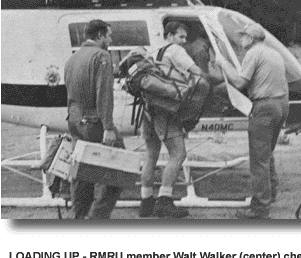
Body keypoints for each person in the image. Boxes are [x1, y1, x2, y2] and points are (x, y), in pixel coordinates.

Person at [215, 23, 289, 219]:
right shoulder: (273, 53)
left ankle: (260, 208)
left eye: (243, 36)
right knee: (267, 153)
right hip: (281, 104)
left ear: (251, 38)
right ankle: (270, 194)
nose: (240, 40)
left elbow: (239, 82)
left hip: (264, 107)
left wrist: (223, 64)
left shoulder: (253, 53)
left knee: (258, 160)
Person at [139, 21, 206, 218]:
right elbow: (197, 72)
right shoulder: (175, 50)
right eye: (180, 37)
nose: (183, 42)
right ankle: (164, 200)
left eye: (185, 38)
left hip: (148, 108)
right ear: (169, 35)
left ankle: (146, 202)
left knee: (151, 154)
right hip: (165, 110)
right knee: (178, 154)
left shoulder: (153, 51)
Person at [64, 19, 125, 219]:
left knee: (81, 173)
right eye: (108, 35)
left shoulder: (72, 59)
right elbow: (104, 94)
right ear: (99, 35)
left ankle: (79, 217)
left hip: (75, 122)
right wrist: (108, 127)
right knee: (118, 172)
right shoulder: (102, 56)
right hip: (95, 123)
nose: (110, 39)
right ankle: (97, 218)